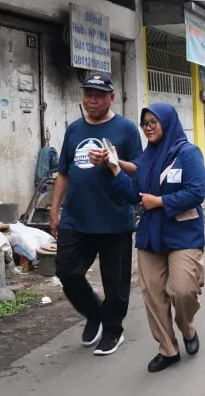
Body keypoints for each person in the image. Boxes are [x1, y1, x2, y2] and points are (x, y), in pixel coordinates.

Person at [108, 103, 205, 373]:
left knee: (182, 290)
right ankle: (168, 349)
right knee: (153, 294)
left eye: (154, 122)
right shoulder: (146, 158)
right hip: (151, 234)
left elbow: (196, 192)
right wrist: (115, 169)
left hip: (183, 233)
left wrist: (160, 201)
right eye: (145, 123)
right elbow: (134, 195)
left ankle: (187, 329)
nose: (148, 128)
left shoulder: (188, 153)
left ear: (167, 122)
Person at [50, 71, 142, 356]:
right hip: (76, 218)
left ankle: (113, 329)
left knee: (115, 282)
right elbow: (63, 173)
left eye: (99, 96)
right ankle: (94, 313)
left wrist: (114, 161)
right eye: (88, 95)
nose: (92, 100)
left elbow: (139, 170)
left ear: (111, 97)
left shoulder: (126, 129)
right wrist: (54, 210)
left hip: (114, 218)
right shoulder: (74, 130)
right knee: (66, 271)